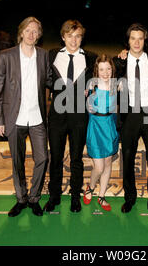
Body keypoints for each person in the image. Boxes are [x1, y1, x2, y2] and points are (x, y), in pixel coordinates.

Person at [0, 16, 51, 217]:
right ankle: (21, 198)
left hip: (37, 117)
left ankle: (34, 198)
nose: (31, 34)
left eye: (35, 31)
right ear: (21, 32)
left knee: (42, 158)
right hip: (13, 118)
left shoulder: (43, 55)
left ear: (39, 35)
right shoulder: (5, 56)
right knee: (17, 161)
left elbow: (51, 80)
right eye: (28, 30)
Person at [44, 20, 97, 213]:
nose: (73, 40)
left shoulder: (91, 58)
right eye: (70, 36)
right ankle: (54, 197)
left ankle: (75, 197)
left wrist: (91, 88)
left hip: (79, 116)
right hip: (57, 115)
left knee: (76, 158)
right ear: (63, 37)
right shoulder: (51, 55)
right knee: (56, 157)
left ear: (82, 38)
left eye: (78, 36)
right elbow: (46, 79)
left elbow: (101, 77)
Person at [114, 23, 148, 219]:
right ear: (127, 41)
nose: (136, 42)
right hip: (130, 114)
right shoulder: (119, 62)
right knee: (127, 157)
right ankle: (130, 198)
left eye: (140, 38)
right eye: (132, 38)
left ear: (145, 40)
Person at [83, 54, 119, 211]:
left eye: (108, 69)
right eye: (102, 69)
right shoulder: (91, 86)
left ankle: (102, 196)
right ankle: (90, 187)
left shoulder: (116, 85)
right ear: (96, 71)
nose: (105, 73)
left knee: (108, 162)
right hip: (96, 128)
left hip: (110, 127)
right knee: (99, 167)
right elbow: (87, 108)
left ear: (112, 69)